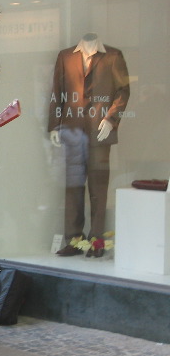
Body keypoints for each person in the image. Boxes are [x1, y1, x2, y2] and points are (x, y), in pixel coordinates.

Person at [48, 33, 130, 257]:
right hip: (73, 130)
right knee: (73, 186)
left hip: (100, 131)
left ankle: (96, 241)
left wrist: (111, 120)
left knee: (98, 188)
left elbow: (123, 91)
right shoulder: (65, 56)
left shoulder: (113, 56)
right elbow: (57, 92)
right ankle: (73, 240)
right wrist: (55, 126)